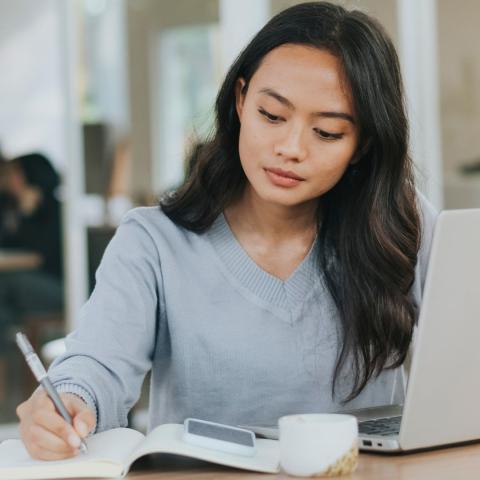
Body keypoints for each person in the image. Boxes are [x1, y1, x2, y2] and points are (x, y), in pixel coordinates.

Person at [17, 1, 438, 461]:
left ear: (362, 146)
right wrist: (69, 400)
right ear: (240, 101)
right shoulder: (154, 242)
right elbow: (97, 362)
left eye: (327, 132)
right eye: (272, 116)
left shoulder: (402, 227)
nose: (290, 148)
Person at [0, 153, 63, 346]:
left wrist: (27, 214)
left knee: (5, 285)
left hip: (57, 285)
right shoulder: (11, 207)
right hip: (27, 283)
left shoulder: (54, 210)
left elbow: (40, 255)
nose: (9, 178)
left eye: (15, 173)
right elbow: (8, 245)